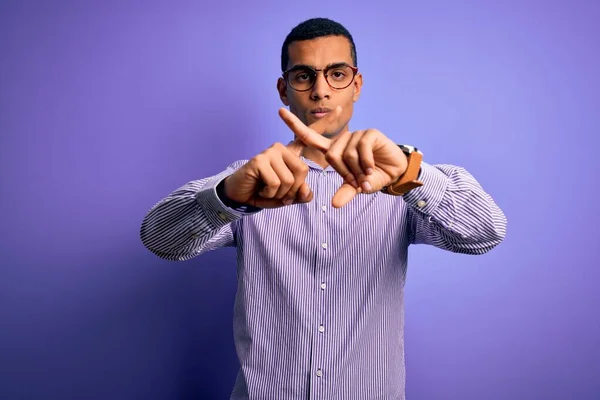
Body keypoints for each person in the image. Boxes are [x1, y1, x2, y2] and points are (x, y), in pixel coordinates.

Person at [140, 17, 507, 400]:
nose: (320, 91)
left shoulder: (399, 181)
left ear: (357, 85)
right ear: (284, 90)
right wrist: (228, 196)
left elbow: (486, 232)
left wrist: (409, 174)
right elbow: (159, 239)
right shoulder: (249, 181)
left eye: (337, 74)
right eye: (304, 76)